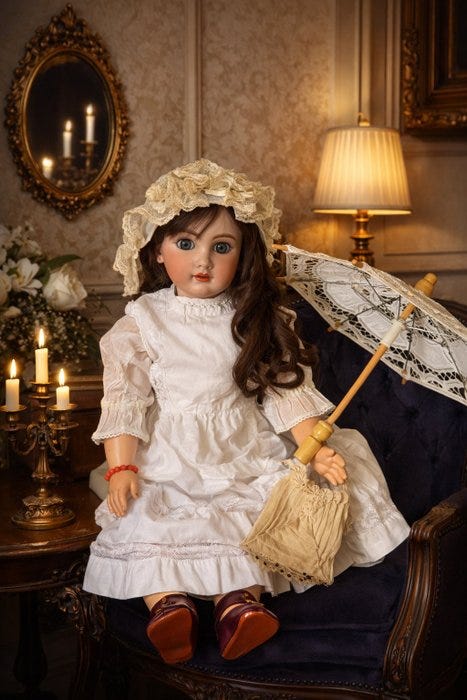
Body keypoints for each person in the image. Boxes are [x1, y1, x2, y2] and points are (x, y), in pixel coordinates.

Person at [83, 159, 409, 665]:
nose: (203, 261)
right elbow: (126, 400)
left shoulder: (257, 316)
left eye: (222, 247)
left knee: (254, 515)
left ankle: (238, 604)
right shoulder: (143, 321)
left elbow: (287, 394)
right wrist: (121, 465)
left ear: (243, 253)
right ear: (157, 251)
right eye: (186, 244)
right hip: (171, 455)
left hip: (244, 450)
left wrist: (314, 445)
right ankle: (167, 606)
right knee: (149, 516)